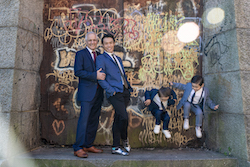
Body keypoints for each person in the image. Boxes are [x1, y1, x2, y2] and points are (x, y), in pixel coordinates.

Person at [96, 33, 133, 156]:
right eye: (106, 43)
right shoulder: (101, 58)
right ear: (103, 45)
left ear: (114, 43)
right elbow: (100, 78)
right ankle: (125, 140)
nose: (109, 45)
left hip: (124, 91)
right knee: (123, 117)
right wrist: (111, 90)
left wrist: (128, 87)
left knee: (118, 118)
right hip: (115, 93)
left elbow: (122, 73)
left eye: (110, 43)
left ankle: (116, 147)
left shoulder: (117, 58)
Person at [73, 32, 106, 158]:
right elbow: (78, 72)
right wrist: (94, 76)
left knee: (93, 120)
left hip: (98, 92)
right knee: (84, 120)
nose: (92, 42)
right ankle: (78, 147)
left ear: (97, 41)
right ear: (86, 41)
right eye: (90, 40)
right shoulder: (80, 54)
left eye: (94, 40)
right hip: (87, 93)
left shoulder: (99, 55)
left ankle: (88, 144)